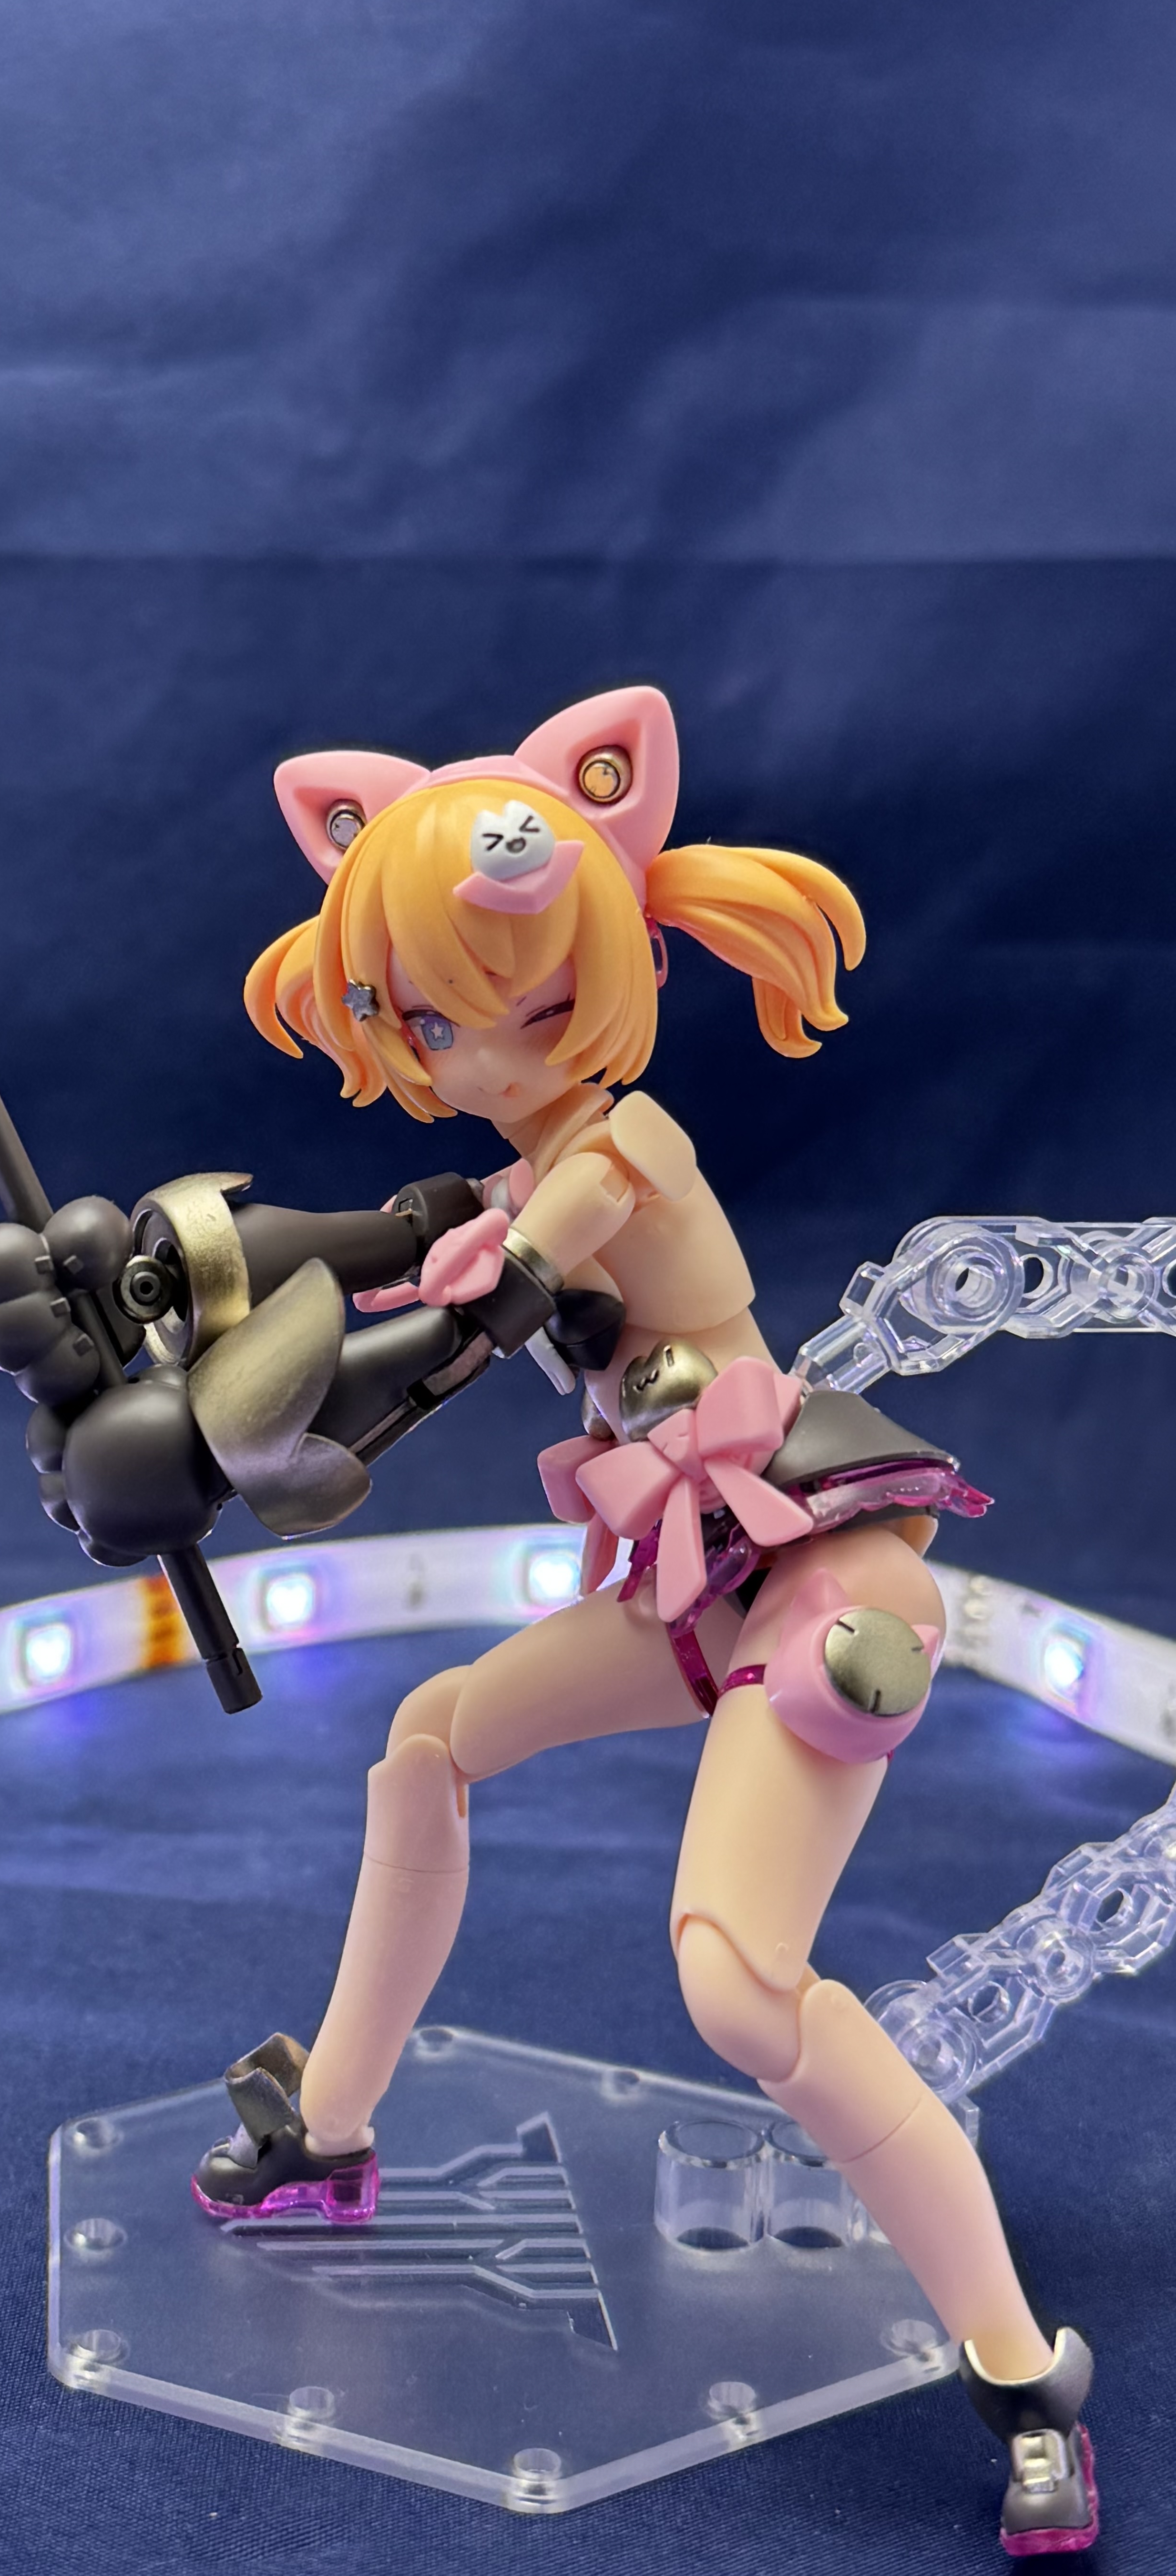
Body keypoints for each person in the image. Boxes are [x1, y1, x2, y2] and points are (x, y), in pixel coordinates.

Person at [195, 683, 1095, 2559]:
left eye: (518, 1006)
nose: (470, 1045)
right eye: (425, 1013)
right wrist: (161, 1279)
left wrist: (231, 1435)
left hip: (821, 1581)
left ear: (607, 972)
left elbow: (466, 1320)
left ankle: (1027, 2383)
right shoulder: (515, 1168)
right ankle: (331, 2125)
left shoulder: (622, 1158)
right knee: (429, 1741)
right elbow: (360, 1251)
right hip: (692, 1582)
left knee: (735, 1984)